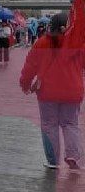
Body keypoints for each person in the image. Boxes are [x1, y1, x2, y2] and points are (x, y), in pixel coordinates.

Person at [20, 13, 82, 170]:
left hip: (47, 91)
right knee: (71, 124)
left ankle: (53, 160)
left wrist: (25, 84)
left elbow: (30, 66)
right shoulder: (77, 44)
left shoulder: (42, 43)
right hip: (73, 90)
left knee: (49, 125)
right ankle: (73, 155)